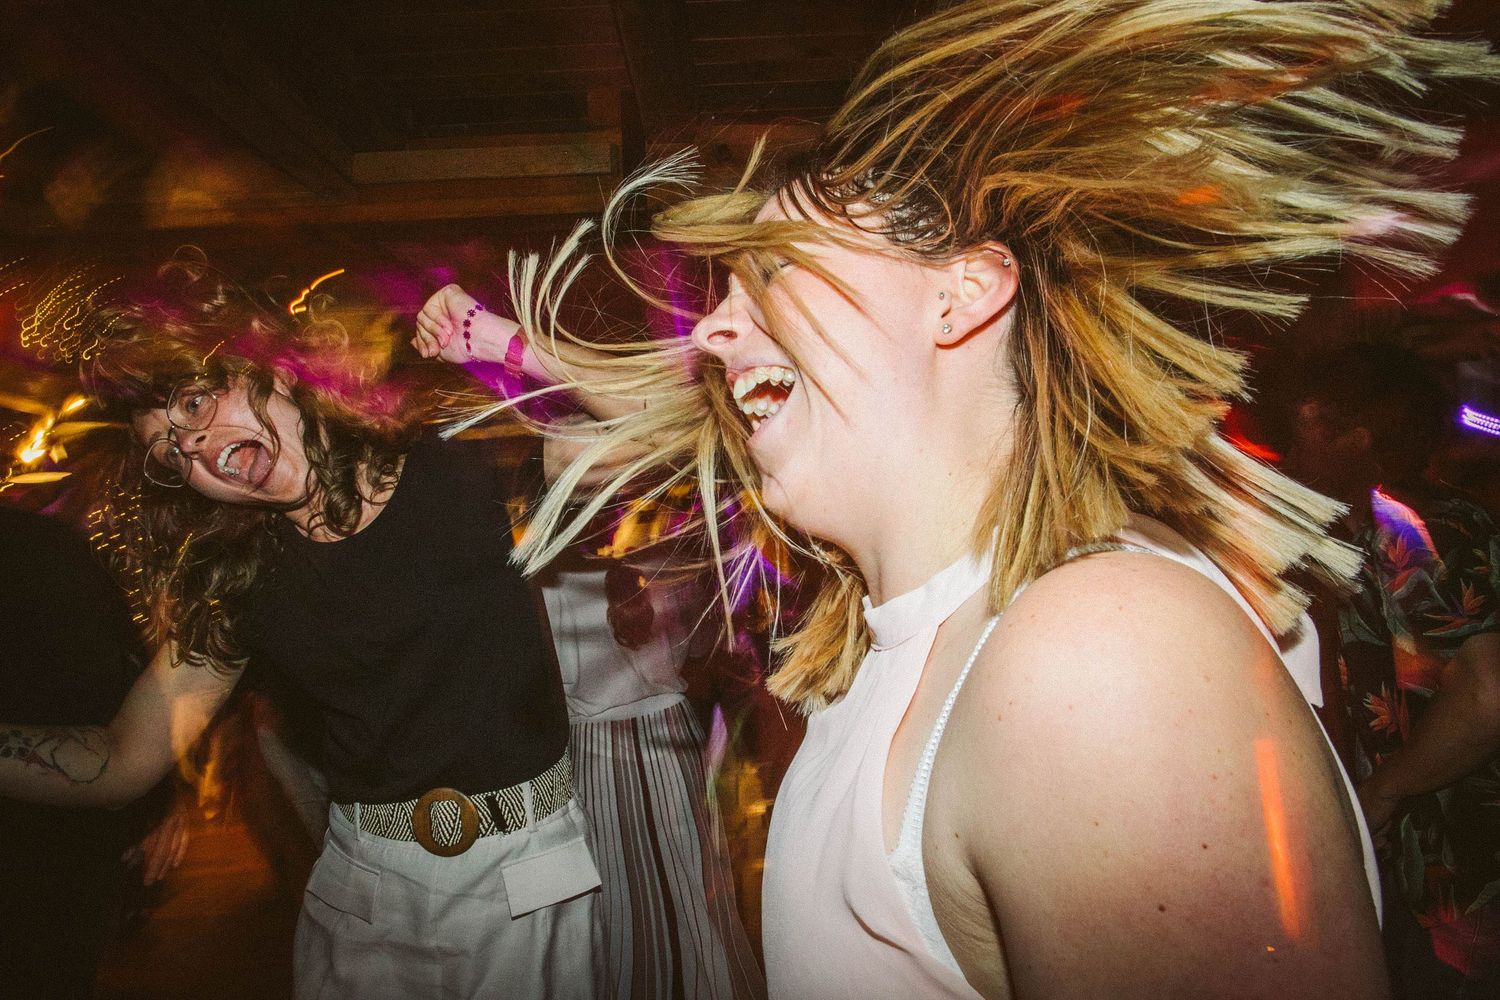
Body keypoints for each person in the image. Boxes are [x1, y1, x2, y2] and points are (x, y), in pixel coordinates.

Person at [460, 2, 1500, 997]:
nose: (715, 333)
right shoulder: (915, 644)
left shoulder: (1099, 658)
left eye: (772, 271)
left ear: (963, 291)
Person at [0, 260, 626, 1000]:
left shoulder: (462, 461)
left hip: (527, 871)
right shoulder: (239, 576)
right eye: (172, 453)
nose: (195, 448)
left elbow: (658, 424)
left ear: (274, 370)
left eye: (198, 403)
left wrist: (502, 340)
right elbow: (124, 758)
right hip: (365, 887)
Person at [1286, 344, 1500, 996]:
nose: (1299, 436)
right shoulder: (1357, 528)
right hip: (1421, 882)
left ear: (1359, 428)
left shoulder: (1416, 527)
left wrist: (1382, 795)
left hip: (1464, 882)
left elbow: (1487, 696)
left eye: (1314, 418)